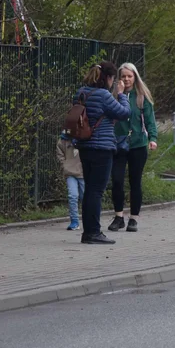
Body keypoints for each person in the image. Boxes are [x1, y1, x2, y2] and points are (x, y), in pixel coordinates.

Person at [75, 62, 130, 244]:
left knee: (90, 189)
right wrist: (122, 95)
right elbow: (124, 113)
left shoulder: (81, 93)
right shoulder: (104, 95)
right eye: (113, 79)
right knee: (96, 191)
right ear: (108, 77)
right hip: (102, 148)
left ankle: (88, 232)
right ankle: (93, 233)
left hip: (84, 146)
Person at [107, 62, 159, 233]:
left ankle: (134, 218)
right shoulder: (113, 96)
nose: (127, 79)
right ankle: (119, 216)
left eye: (130, 76)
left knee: (135, 181)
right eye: (123, 77)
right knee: (117, 180)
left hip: (137, 144)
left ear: (135, 77)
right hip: (119, 144)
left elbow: (150, 120)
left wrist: (152, 138)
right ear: (119, 79)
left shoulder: (141, 97)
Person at [56, 132, 84, 231]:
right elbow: (60, 154)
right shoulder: (63, 139)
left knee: (85, 197)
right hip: (70, 172)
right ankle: (74, 221)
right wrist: (65, 165)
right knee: (72, 196)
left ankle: (88, 220)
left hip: (83, 172)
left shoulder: (85, 136)